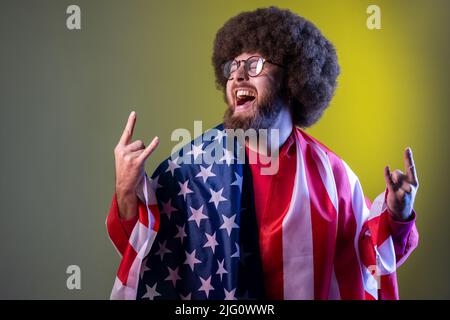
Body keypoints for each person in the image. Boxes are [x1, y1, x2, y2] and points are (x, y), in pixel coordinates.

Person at [106, 7, 419, 300]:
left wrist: (398, 215)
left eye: (253, 65)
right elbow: (142, 252)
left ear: (291, 79)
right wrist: (125, 190)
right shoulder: (188, 169)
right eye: (232, 68)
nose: (238, 76)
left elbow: (371, 259)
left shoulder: (334, 177)